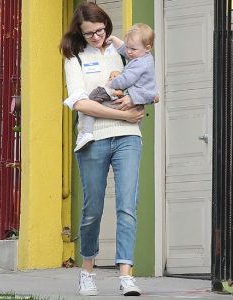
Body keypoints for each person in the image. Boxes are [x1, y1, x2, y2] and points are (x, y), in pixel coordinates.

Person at [60, 2, 145, 297]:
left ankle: (126, 276)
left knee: (127, 207)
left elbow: (145, 78)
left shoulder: (123, 51)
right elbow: (81, 103)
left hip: (128, 137)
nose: (97, 37)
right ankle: (87, 272)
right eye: (90, 34)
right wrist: (123, 113)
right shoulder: (75, 58)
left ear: (107, 25)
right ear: (79, 34)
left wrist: (138, 104)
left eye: (101, 30)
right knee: (92, 210)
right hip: (92, 139)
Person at [73, 23, 159, 152]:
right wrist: (113, 39)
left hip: (129, 97)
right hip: (134, 98)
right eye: (128, 47)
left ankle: (86, 133)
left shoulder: (140, 63)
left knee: (93, 99)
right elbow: (125, 49)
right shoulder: (141, 55)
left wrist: (111, 83)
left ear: (147, 48)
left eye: (133, 49)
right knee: (90, 104)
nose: (129, 52)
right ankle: (88, 133)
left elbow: (126, 79)